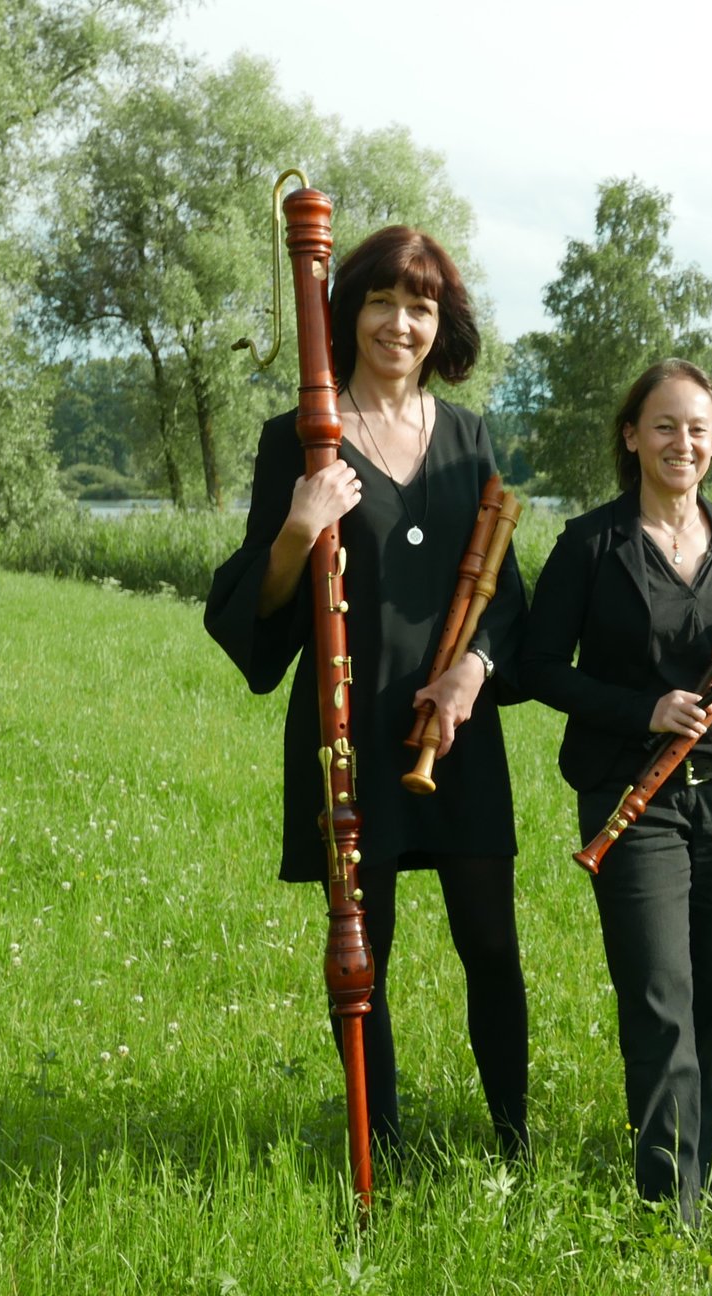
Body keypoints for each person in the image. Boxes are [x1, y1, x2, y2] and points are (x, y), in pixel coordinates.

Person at [205, 225, 528, 1161]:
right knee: (364, 949)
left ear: (441, 324)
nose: (400, 323)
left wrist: (473, 672)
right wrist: (298, 529)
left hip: (454, 730)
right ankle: (376, 1144)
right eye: (382, 302)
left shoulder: (467, 438)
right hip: (349, 726)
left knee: (491, 944)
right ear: (347, 313)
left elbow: (507, 597)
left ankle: (512, 1140)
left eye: (419, 306)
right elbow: (257, 608)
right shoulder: (301, 438)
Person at [517, 360, 712, 1226]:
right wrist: (645, 709)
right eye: (665, 425)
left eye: (699, 428)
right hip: (634, 800)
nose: (683, 443)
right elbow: (537, 669)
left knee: (709, 1003)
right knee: (660, 998)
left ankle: (690, 1168)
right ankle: (674, 1212)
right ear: (631, 435)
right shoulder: (589, 545)